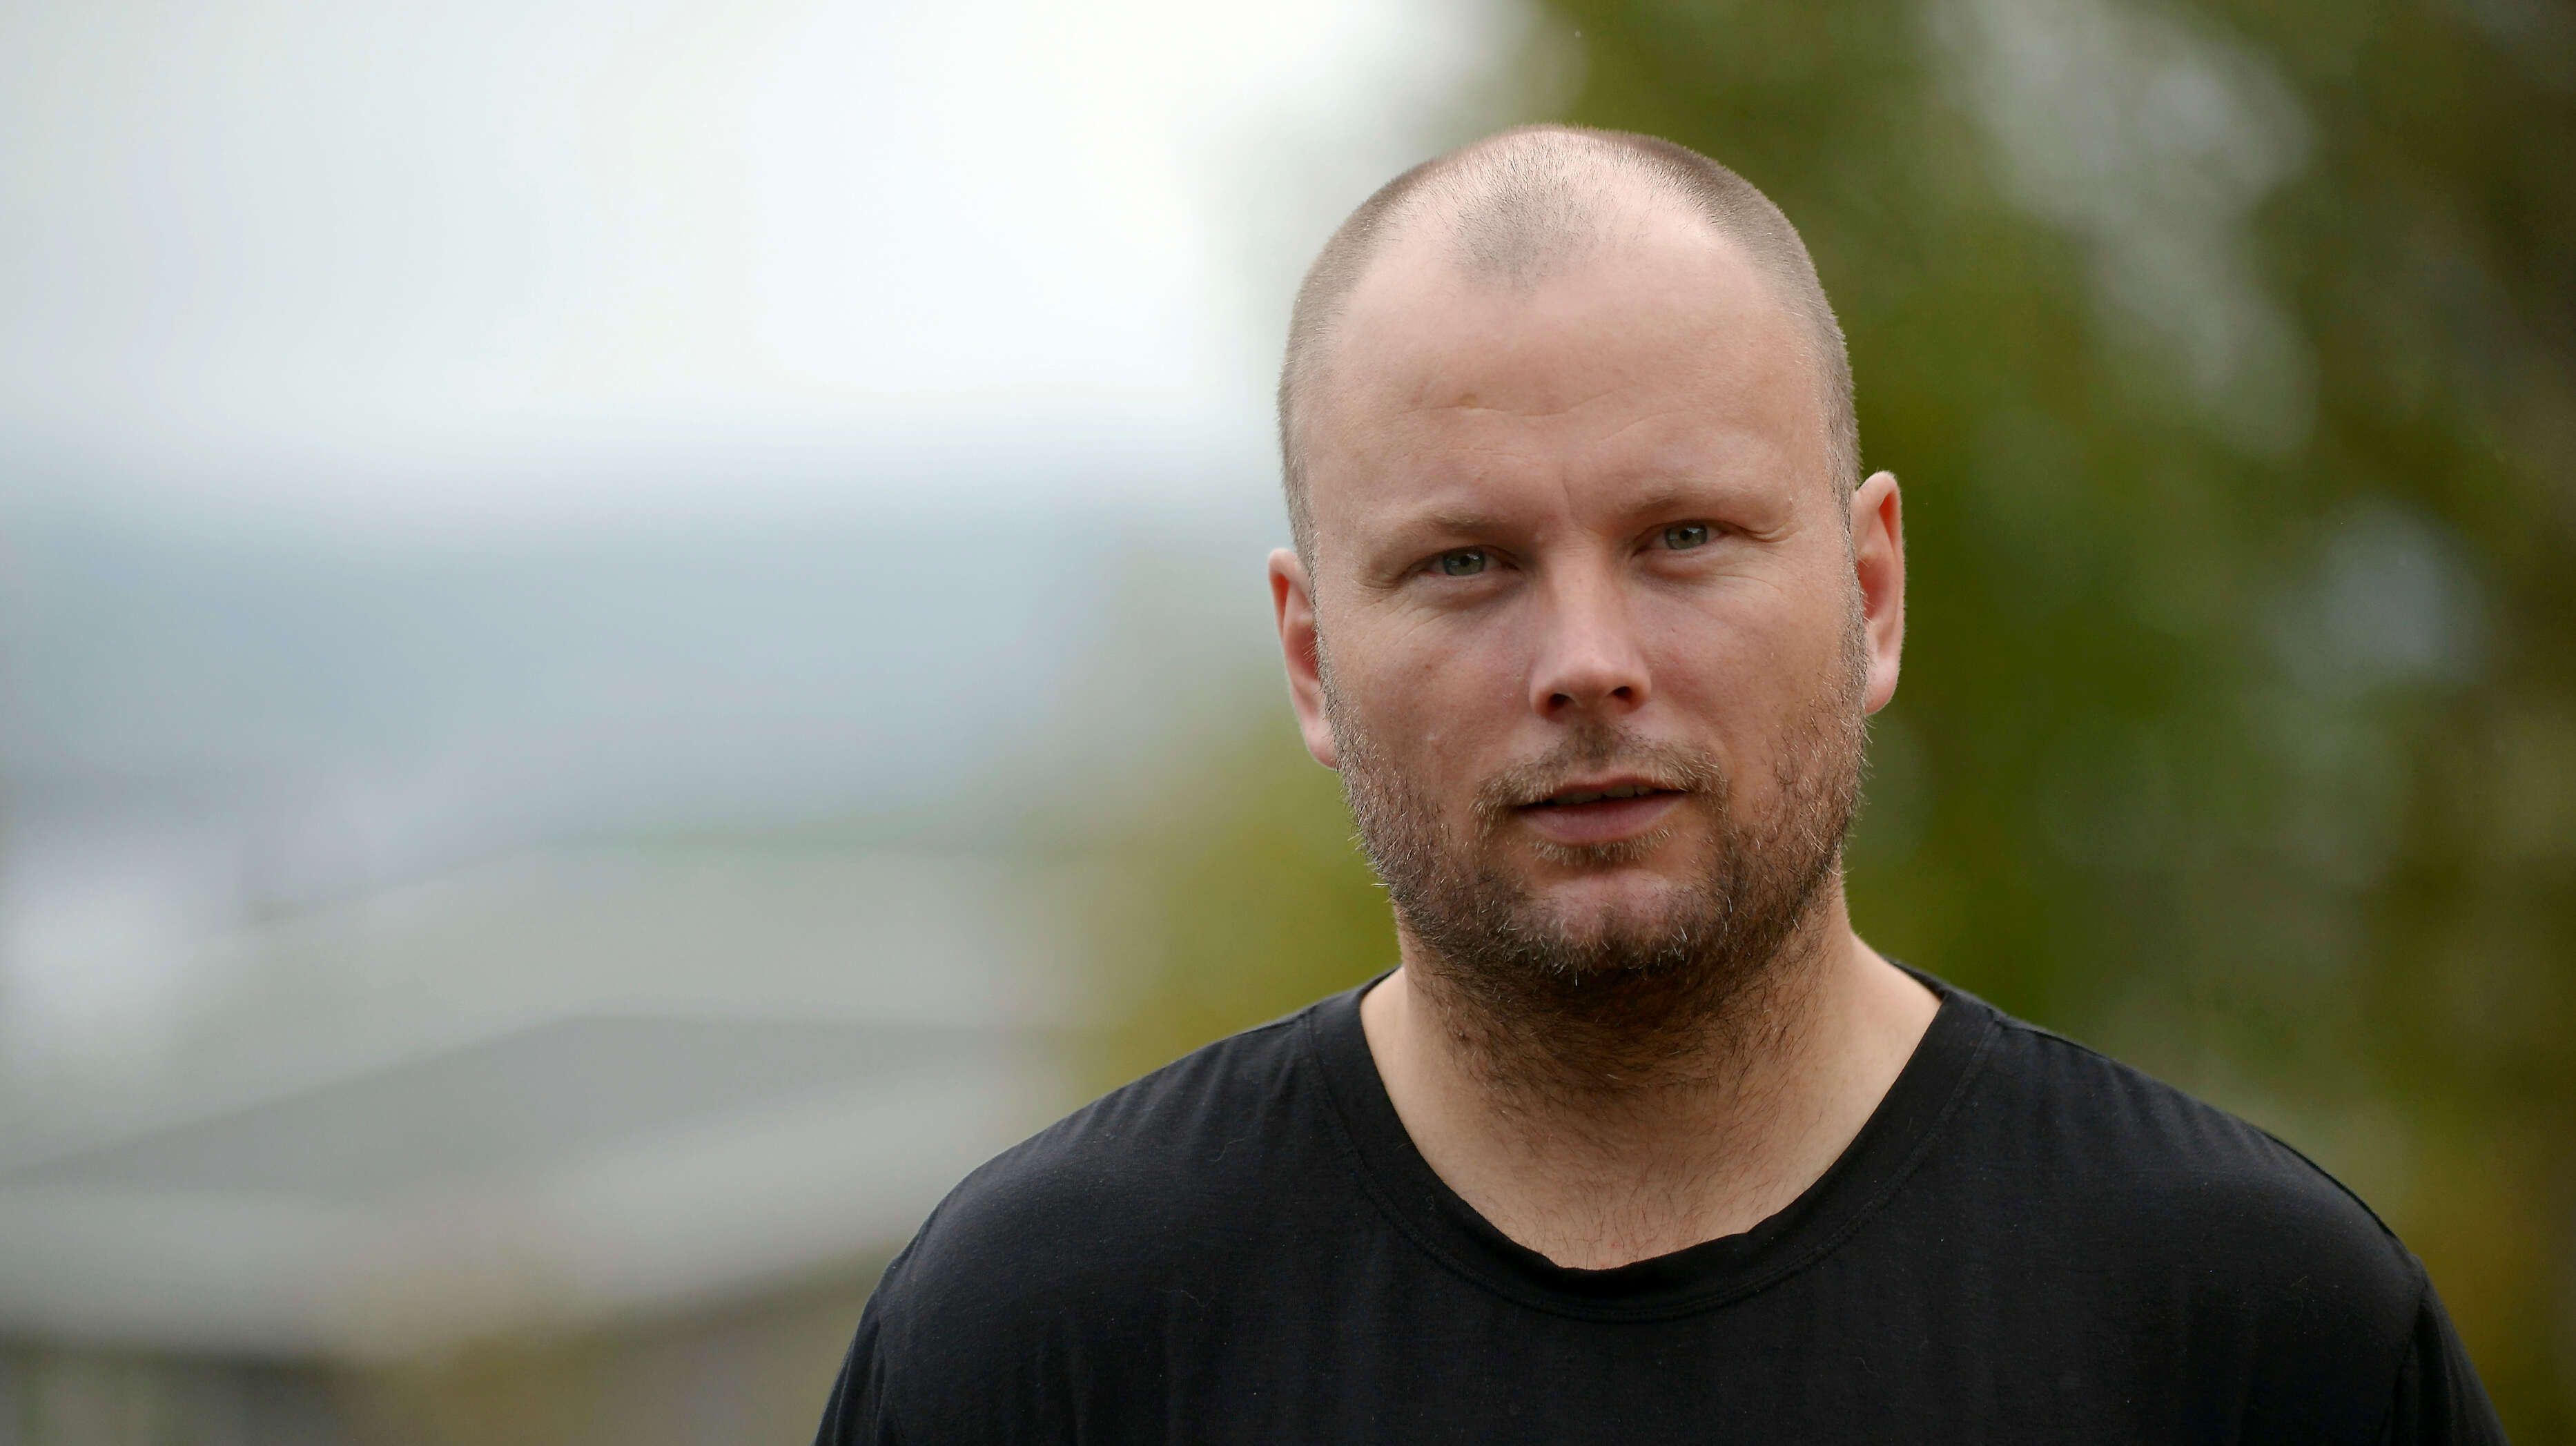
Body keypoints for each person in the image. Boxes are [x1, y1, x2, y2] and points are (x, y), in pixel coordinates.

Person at [812, 124, 2504, 1443]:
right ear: (1313, 657)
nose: (1587, 659)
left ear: (1871, 593)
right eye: (1466, 562)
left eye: (1685, 536)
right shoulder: (1037, 1344)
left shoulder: (2253, 1332)